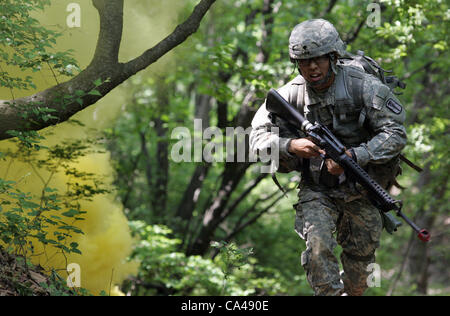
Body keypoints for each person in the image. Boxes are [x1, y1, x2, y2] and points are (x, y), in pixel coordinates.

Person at [249, 19, 407, 296]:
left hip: (362, 189)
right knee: (318, 247)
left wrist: (356, 155)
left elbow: (395, 134)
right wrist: (291, 145)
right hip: (317, 189)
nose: (311, 67)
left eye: (318, 59)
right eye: (304, 61)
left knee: (360, 266)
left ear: (333, 57)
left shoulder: (363, 87)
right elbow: (256, 139)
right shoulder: (290, 95)